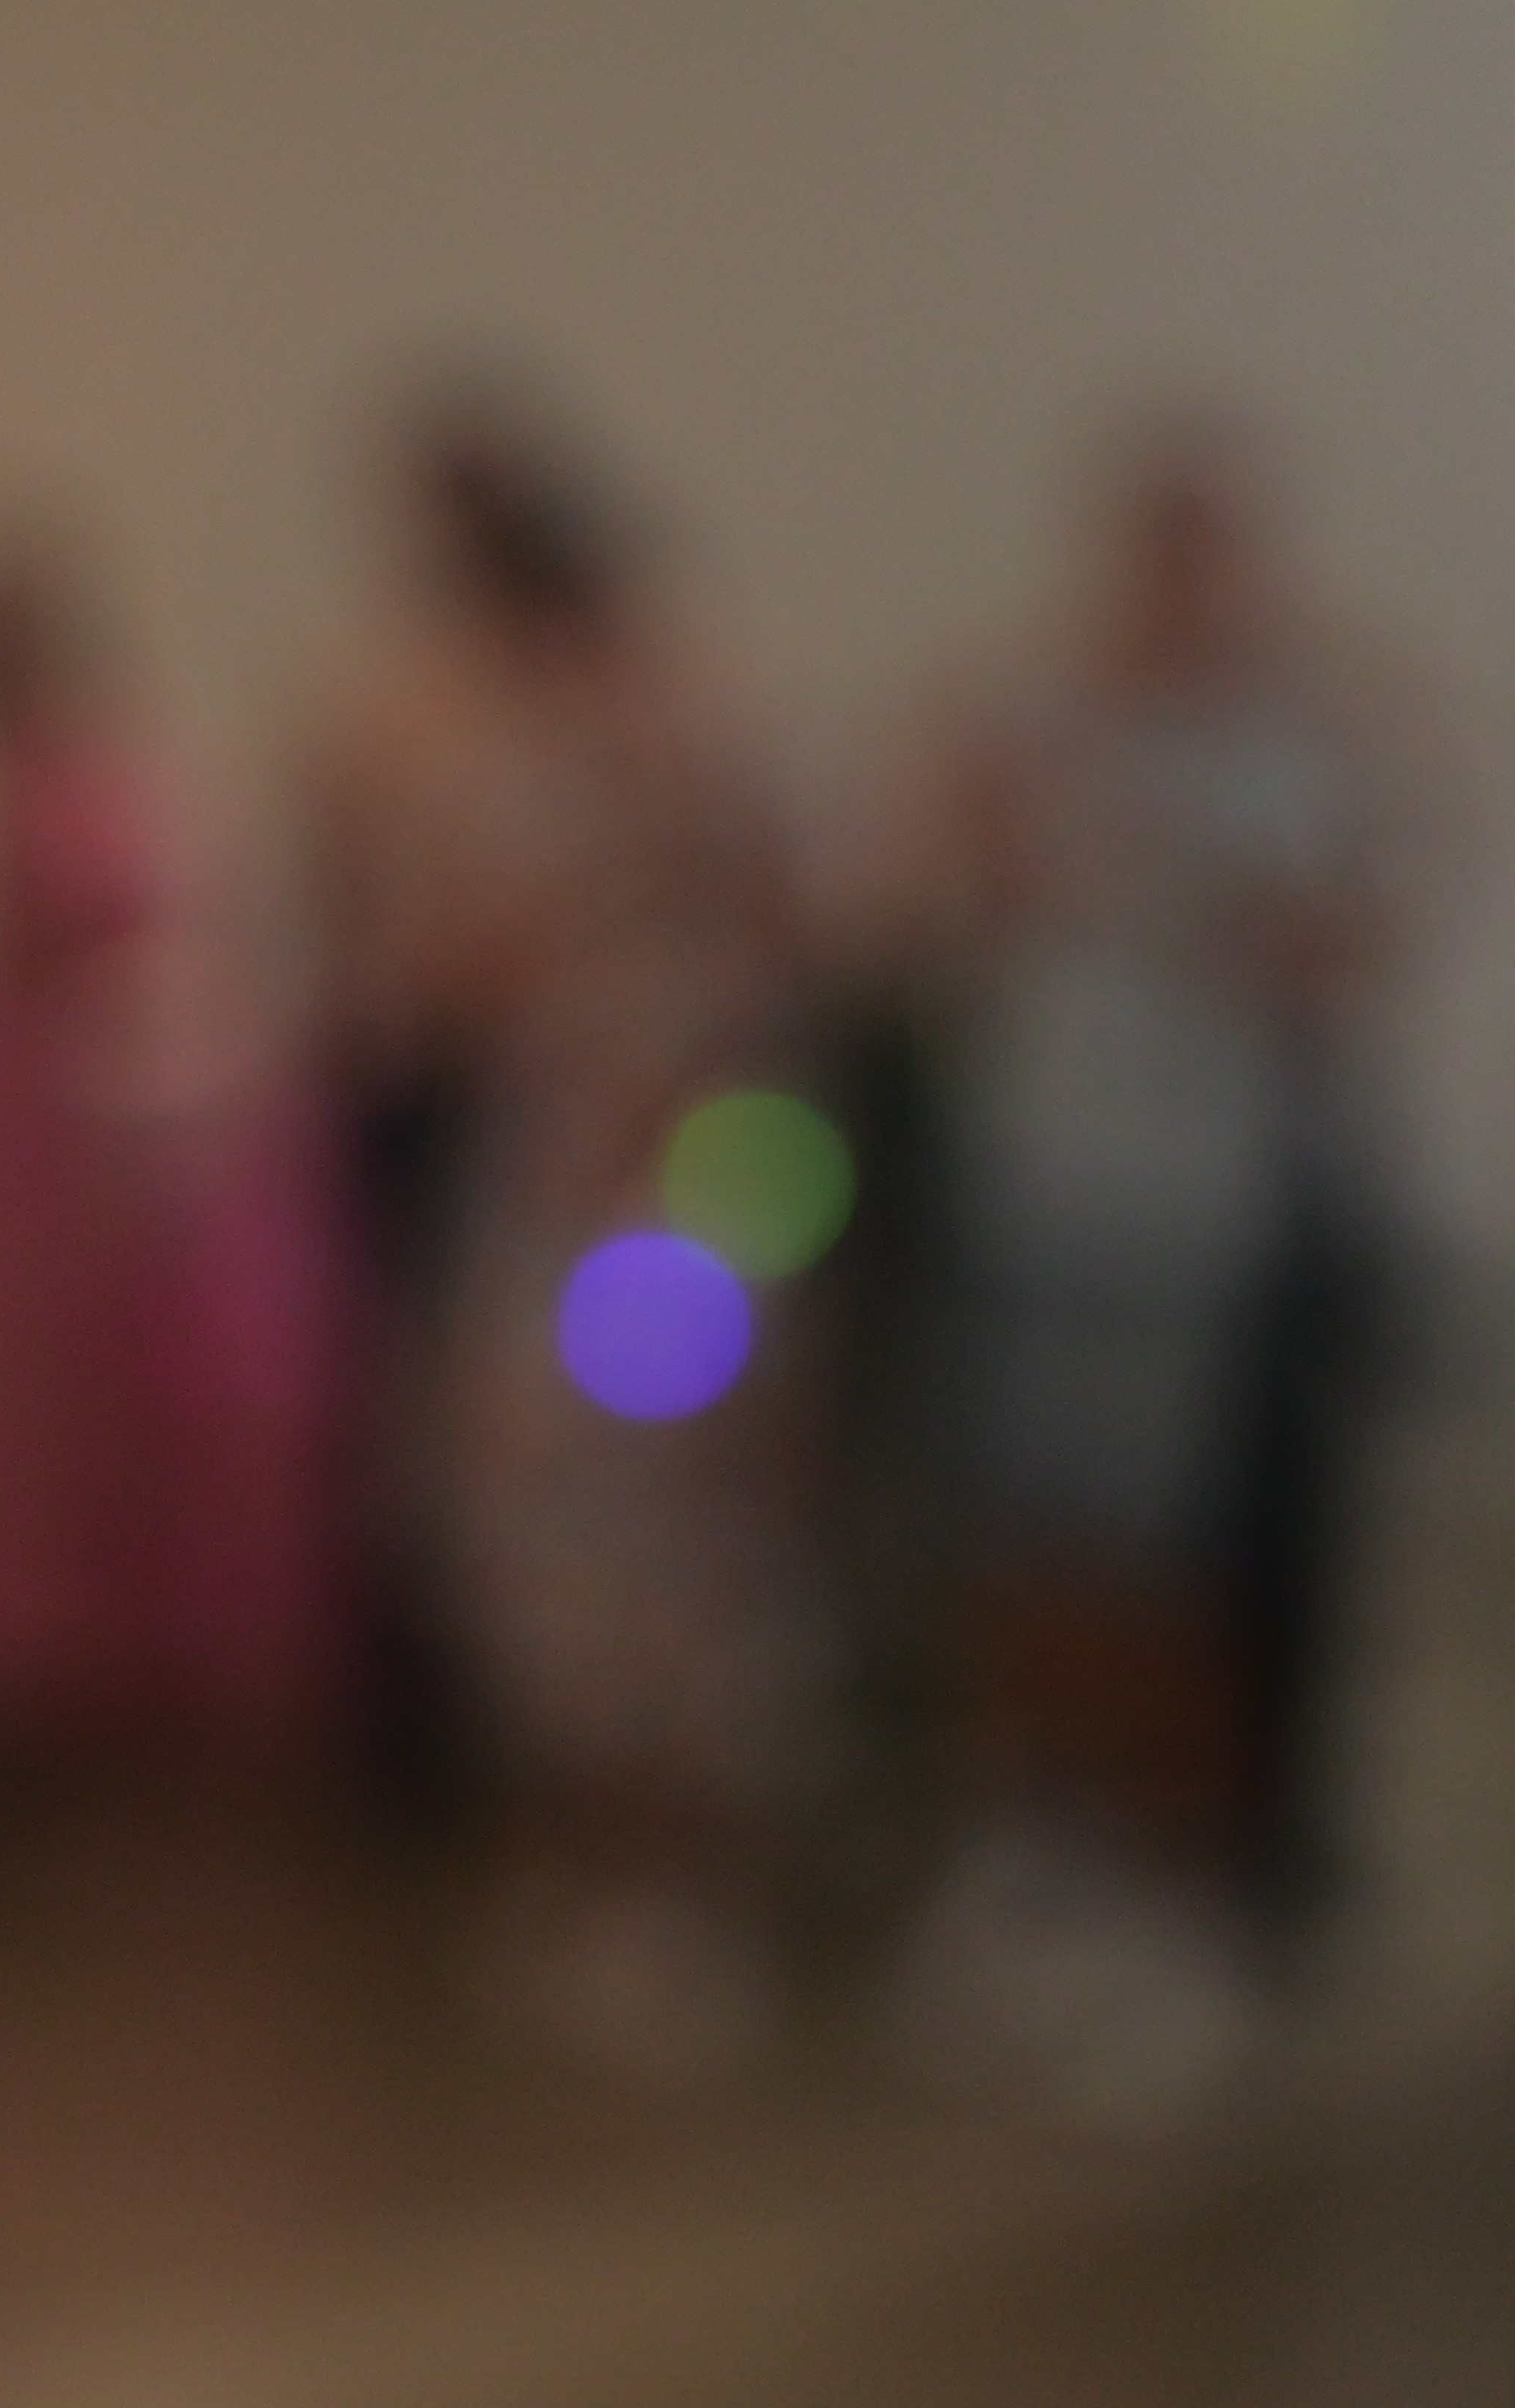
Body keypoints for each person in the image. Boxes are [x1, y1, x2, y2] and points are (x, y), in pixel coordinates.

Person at [882, 418, 1424, 2114]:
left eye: (1205, 554)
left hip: (1191, 1215)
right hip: (1038, 1184)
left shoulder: (1303, 735)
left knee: (1166, 1562)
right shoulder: (1028, 715)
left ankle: (1184, 1906)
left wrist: (1246, 896)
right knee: (1028, 1536)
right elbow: (931, 895)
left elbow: (1358, 938)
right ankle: (1041, 1855)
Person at [302, 386, 822, 2074]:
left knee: (680, 1523)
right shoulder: (441, 732)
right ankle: (583, 1858)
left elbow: (781, 940)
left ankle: (694, 1882)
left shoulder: (686, 715)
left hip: (688, 1173)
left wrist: (675, 1107)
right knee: (527, 1519)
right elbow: (419, 970)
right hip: (535, 1167)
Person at [0, 525, 343, 1757]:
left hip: (66, 1150)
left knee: (89, 1418)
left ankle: (90, 1680)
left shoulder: (103, 782)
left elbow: (146, 956)